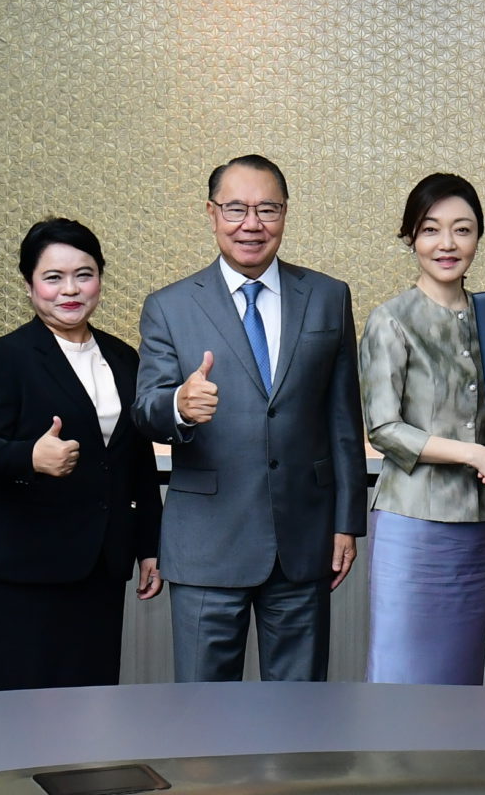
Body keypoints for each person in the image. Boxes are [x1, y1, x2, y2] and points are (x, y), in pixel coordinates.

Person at [134, 156, 365, 683]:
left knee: (299, 710)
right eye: (236, 209)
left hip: (303, 539)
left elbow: (343, 420)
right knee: (204, 713)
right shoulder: (169, 306)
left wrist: (347, 522)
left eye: (268, 209)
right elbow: (146, 409)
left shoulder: (328, 297)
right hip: (207, 545)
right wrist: (179, 406)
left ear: (286, 213)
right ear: (211, 213)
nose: (252, 224)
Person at [0, 218, 158, 691]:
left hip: (101, 566)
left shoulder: (123, 358)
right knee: (21, 709)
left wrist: (150, 546)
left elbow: (136, 459)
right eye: (53, 277)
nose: (70, 289)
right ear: (30, 285)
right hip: (22, 569)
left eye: (84, 275)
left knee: (93, 706)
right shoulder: (2, 357)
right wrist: (30, 457)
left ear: (100, 279)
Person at [359, 175, 485, 685]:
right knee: (403, 675)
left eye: (462, 229)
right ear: (411, 237)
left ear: (478, 237)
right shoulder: (390, 320)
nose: (447, 243)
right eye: (431, 229)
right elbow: (384, 428)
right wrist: (474, 454)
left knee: (461, 677)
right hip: (412, 521)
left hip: (478, 522)